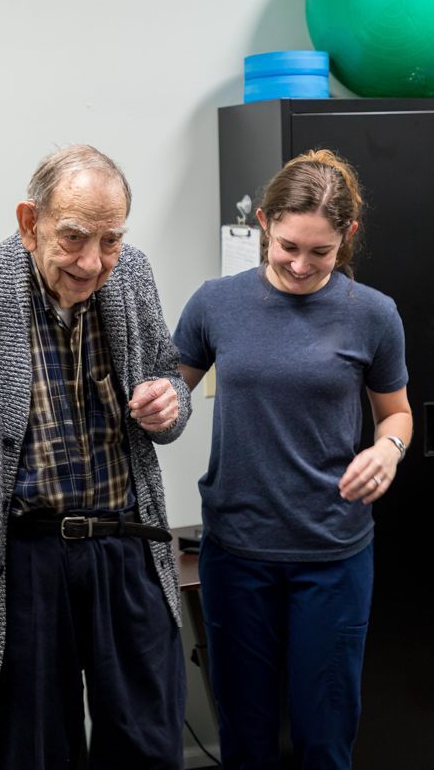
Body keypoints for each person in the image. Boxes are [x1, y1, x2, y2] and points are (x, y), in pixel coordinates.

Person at [0, 144, 191, 769]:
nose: (93, 262)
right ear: (30, 222)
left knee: (147, 745)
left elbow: (169, 378)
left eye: (111, 239)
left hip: (126, 547)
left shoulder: (131, 274)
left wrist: (171, 403)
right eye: (75, 238)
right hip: (24, 562)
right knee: (32, 753)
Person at [173, 149, 412, 770]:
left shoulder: (375, 315)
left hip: (332, 556)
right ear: (263, 222)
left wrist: (388, 449)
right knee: (246, 737)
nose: (301, 265)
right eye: (287, 247)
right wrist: (156, 406)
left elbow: (398, 413)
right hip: (236, 552)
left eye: (321, 252)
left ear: (347, 237)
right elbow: (173, 396)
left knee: (324, 737)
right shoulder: (215, 303)